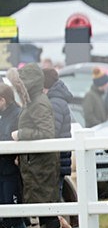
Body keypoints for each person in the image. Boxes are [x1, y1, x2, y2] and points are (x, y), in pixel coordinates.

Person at [8, 64, 62, 228]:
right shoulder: (33, 102)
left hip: (42, 167)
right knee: (42, 211)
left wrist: (21, 134)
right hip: (35, 166)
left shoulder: (38, 103)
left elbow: (46, 132)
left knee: (48, 212)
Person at [0, 84, 28, 228]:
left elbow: (11, 139)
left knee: (15, 215)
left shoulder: (16, 115)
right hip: (3, 172)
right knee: (6, 214)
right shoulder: (4, 116)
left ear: (3, 100)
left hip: (11, 172)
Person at [43, 68, 73, 199]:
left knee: (54, 197)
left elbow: (52, 131)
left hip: (56, 159)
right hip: (60, 158)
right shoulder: (58, 100)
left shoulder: (54, 103)